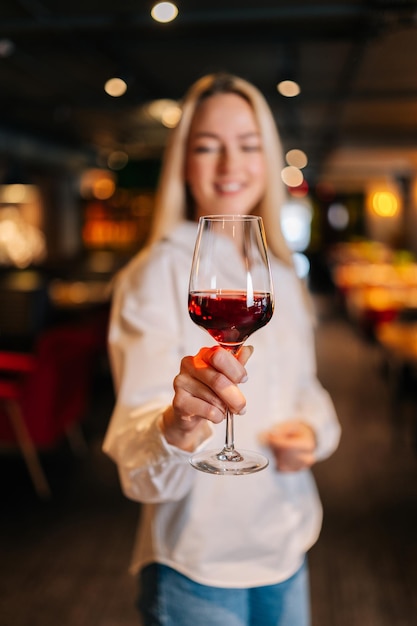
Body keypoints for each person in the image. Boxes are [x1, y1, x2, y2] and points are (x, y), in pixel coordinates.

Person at [103, 72, 341, 626]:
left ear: (268, 158)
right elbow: (136, 466)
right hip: (196, 562)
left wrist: (310, 434)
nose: (231, 165)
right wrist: (178, 427)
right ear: (184, 162)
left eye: (248, 145)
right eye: (208, 147)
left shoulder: (278, 271)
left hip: (287, 539)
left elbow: (306, 389)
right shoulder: (156, 271)